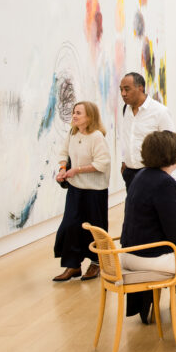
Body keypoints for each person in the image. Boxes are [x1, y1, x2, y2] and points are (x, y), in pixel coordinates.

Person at [119, 130, 176, 340]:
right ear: (172, 155)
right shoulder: (165, 183)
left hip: (130, 253)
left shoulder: (142, 176)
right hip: (150, 257)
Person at [52, 101, 111, 282]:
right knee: (70, 226)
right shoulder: (73, 133)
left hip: (95, 191)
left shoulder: (96, 137)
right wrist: (63, 169)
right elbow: (64, 154)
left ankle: (97, 263)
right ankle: (73, 265)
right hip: (76, 189)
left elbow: (103, 163)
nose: (74, 116)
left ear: (89, 117)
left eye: (79, 113)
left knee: (95, 228)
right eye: (74, 112)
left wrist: (77, 170)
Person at [118, 72, 173, 190]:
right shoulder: (125, 110)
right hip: (130, 173)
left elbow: (171, 144)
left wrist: (163, 172)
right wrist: (124, 161)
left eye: (127, 89)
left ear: (140, 88)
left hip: (152, 173)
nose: (123, 94)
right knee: (132, 208)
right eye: (121, 89)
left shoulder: (160, 111)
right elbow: (127, 138)